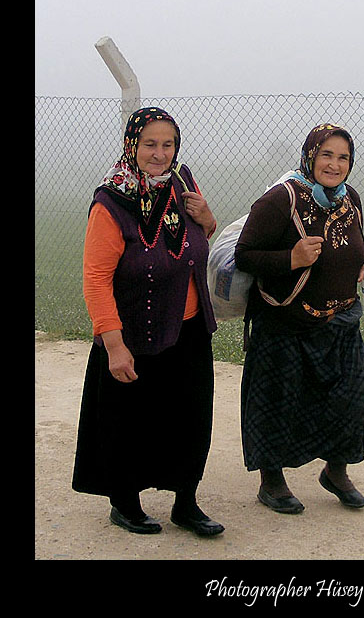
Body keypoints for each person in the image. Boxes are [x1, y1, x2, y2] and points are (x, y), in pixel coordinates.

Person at [72, 107, 224, 537]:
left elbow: (196, 239)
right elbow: (96, 278)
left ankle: (186, 503)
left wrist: (207, 217)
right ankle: (125, 502)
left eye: (168, 144)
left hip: (189, 325)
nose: (160, 154)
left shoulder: (182, 182)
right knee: (130, 421)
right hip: (134, 330)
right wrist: (114, 345)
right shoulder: (112, 201)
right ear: (132, 146)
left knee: (191, 417)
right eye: (150, 145)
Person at [234, 123, 364, 514]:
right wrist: (291, 258)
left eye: (343, 157)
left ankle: (336, 472)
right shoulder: (279, 200)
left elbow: (353, 248)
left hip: (341, 320)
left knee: (353, 398)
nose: (335, 164)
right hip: (285, 324)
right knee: (278, 403)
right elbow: (245, 255)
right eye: (327, 155)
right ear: (310, 155)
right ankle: (272, 481)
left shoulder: (349, 199)